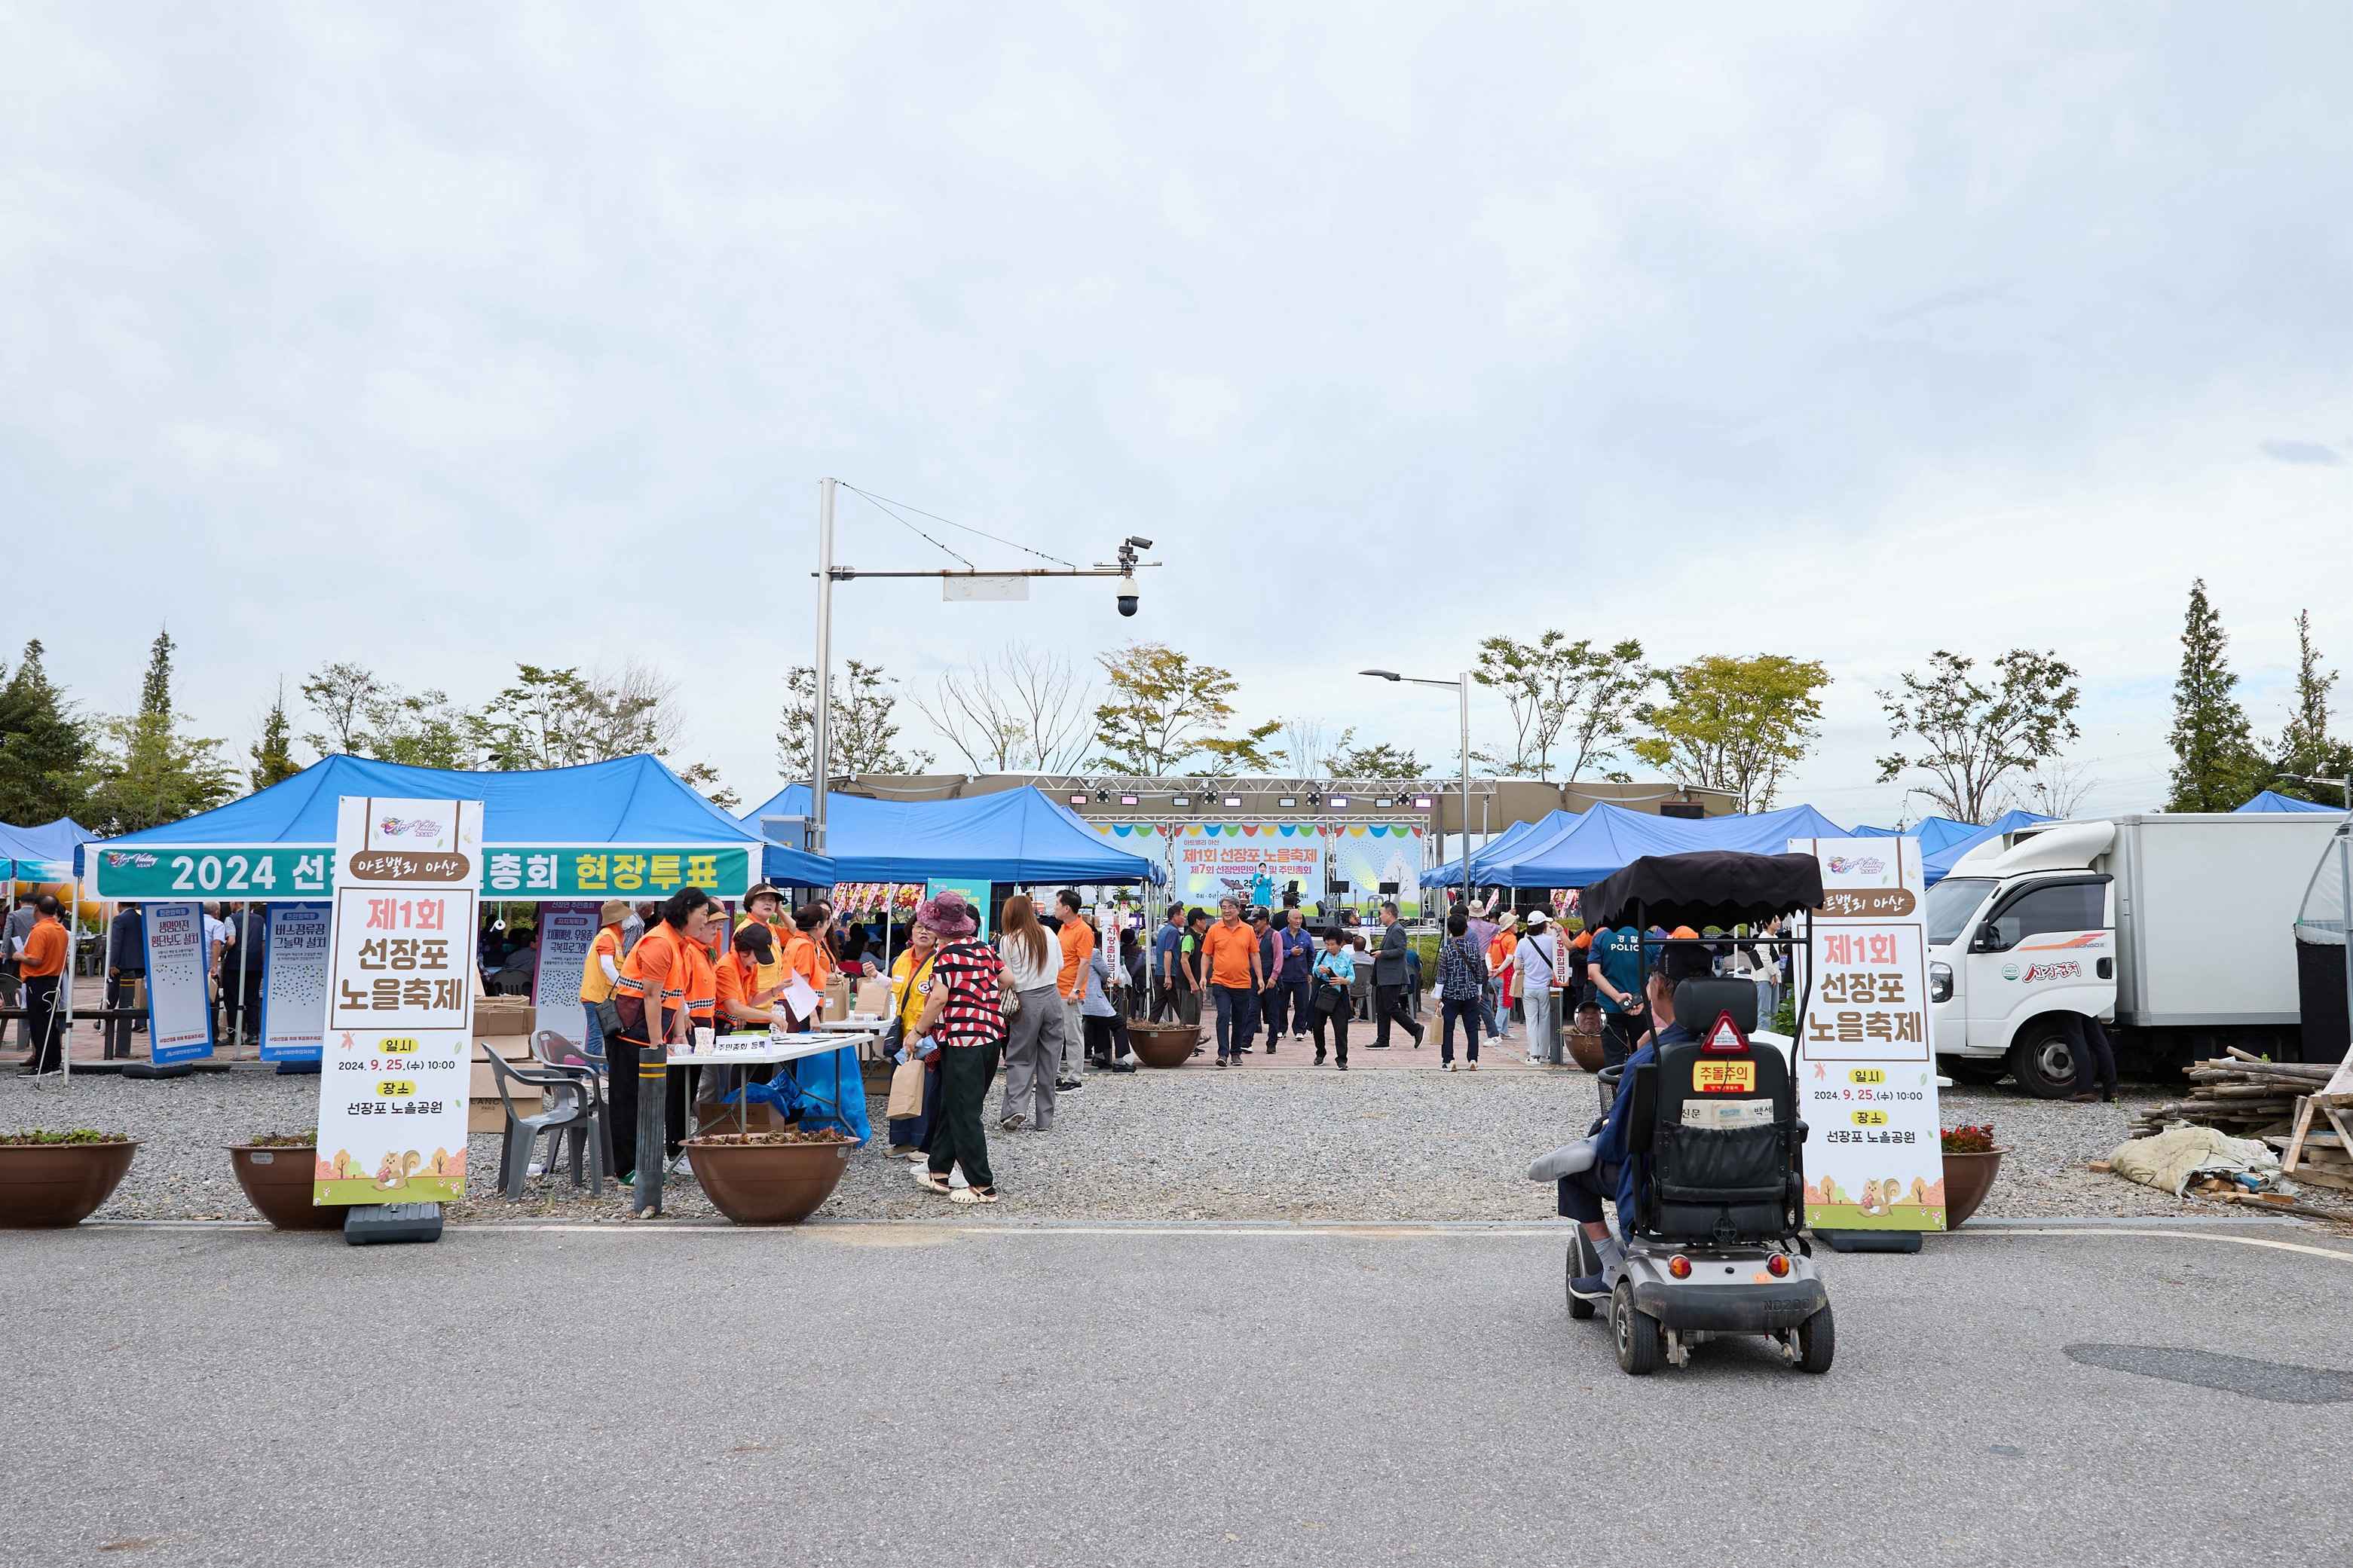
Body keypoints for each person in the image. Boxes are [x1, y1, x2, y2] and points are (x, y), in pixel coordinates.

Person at [1561, 944, 1714, 1301]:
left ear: (1659, 986)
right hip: (1747, 1181)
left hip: (1661, 1181)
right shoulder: (1755, 1053)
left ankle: (1610, 1269)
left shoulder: (1651, 1058)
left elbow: (1618, 1144)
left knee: (1571, 1173)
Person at [609, 886, 720, 1181]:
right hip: (633, 1033)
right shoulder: (660, 942)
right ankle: (627, 1168)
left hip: (654, 1031)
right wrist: (657, 1042)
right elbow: (651, 997)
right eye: (704, 914)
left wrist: (679, 1032)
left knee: (649, 1101)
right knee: (629, 1100)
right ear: (686, 910)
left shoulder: (680, 943)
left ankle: (645, 1164)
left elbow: (677, 992)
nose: (706, 922)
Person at [911, 891, 1005, 1206]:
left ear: (939, 927)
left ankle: (982, 1184)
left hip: (962, 1039)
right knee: (955, 1105)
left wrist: (917, 1031)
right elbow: (1009, 978)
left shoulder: (947, 956)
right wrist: (981, 995)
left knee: (964, 1112)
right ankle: (939, 1171)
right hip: (990, 1036)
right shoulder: (984, 949)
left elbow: (938, 999)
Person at [996, 893, 1067, 1132]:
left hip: (1026, 1001)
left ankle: (1016, 1108)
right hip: (1052, 997)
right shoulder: (1048, 933)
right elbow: (1060, 966)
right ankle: (1045, 1119)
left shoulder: (1008, 941)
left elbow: (1007, 977)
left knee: (1020, 1057)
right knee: (1050, 1059)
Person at [884, 918, 944, 1155]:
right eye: (919, 926)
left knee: (925, 1089)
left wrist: (921, 1030)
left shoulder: (939, 960)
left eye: (929, 927)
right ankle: (901, 1140)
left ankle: (923, 1143)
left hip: (927, 1034)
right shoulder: (900, 960)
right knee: (901, 1084)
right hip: (902, 1033)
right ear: (911, 931)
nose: (923, 931)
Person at [1199, 897, 1262, 1067]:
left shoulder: (1248, 930)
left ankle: (1236, 1052)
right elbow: (1206, 954)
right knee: (1223, 1015)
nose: (1226, 911)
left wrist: (1260, 977)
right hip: (1221, 981)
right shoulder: (1214, 930)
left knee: (1240, 1019)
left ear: (1238, 909)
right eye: (1223, 908)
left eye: (1230, 908)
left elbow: (1255, 955)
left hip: (1242, 983)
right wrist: (1203, 976)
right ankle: (1223, 1054)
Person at [14, 894, 69, 1074]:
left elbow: (35, 960)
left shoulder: (40, 931)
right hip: (54, 981)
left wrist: (19, 956)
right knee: (49, 1023)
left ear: (37, 908)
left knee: (39, 1025)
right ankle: (53, 1062)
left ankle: (44, 1064)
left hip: (38, 981)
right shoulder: (60, 929)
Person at [576, 898, 629, 1062]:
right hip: (598, 997)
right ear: (618, 920)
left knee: (606, 1035)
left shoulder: (609, 936)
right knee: (597, 1036)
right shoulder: (607, 937)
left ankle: (604, 1070)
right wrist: (624, 987)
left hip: (602, 996)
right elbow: (607, 966)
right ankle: (589, 1073)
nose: (627, 921)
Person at [1590, 923, 1649, 1069]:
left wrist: (1617, 997)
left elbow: (1593, 972)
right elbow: (1658, 976)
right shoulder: (1650, 939)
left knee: (1613, 1061)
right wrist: (1642, 998)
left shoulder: (1602, 937)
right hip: (1641, 1007)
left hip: (1609, 1005)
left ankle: (1615, 1091)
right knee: (1644, 1058)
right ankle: (1639, 1091)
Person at [1437, 909, 1489, 1070]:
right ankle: (1473, 1059)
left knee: (1448, 1027)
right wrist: (1479, 991)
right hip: (1470, 993)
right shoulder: (1474, 949)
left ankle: (1449, 1060)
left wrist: (1438, 996)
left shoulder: (1447, 950)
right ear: (1466, 929)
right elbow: (1479, 973)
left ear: (1450, 930)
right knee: (1472, 1028)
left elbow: (1442, 975)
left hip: (1451, 994)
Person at [1053, 889, 1094, 1091]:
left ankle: (1075, 1078)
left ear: (1067, 908)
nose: (1055, 908)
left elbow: (1085, 962)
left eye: (1057, 905)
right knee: (1056, 1035)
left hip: (1069, 991)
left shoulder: (1083, 930)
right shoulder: (1064, 928)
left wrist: (1076, 990)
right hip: (1058, 988)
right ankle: (1056, 1076)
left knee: (1073, 1035)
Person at [1370, 900, 1424, 1050]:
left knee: (1391, 1007)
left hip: (1392, 976)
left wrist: (1382, 953)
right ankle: (1382, 1039)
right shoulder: (1391, 929)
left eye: (1381, 914)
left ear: (1389, 914)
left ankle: (1415, 1028)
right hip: (1384, 976)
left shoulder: (1397, 929)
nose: (1380, 917)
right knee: (1382, 1008)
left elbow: (1401, 950)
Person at [1516, 911, 1560, 1066]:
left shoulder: (1522, 942)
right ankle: (1543, 1054)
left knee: (1531, 1021)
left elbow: (1517, 966)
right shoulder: (1550, 941)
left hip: (1528, 987)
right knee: (1545, 1019)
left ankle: (1533, 1055)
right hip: (1545, 987)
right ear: (1543, 925)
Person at [103, 902, 145, 1059]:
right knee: (140, 995)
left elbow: (116, 942)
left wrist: (112, 963)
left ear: (119, 905)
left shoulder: (119, 920)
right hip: (140, 963)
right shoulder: (141, 919)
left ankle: (106, 1018)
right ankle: (141, 1022)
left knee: (114, 993)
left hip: (123, 964)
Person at [1271, 906, 1316, 1045]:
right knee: (1281, 1005)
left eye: (1300, 918)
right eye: (1296, 918)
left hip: (1301, 976)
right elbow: (1276, 954)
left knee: (1302, 1005)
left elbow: (1311, 955)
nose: (1298, 921)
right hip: (1284, 976)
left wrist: (1309, 972)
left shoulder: (1306, 935)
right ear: (1288, 919)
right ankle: (1281, 1029)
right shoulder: (1280, 935)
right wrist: (1290, 952)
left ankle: (1299, 1030)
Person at [1309, 931, 1354, 1068]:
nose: (1330, 947)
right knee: (1317, 1026)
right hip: (1323, 995)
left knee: (1341, 1029)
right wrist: (1319, 970)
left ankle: (1342, 1058)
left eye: (1333, 944)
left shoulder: (1346, 958)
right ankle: (1320, 1053)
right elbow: (1314, 970)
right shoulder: (1321, 954)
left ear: (1340, 944)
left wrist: (1343, 980)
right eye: (1327, 944)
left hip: (1339, 996)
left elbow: (1352, 977)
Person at [2065, 1014, 2119, 1104]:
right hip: (2089, 1002)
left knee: (2075, 1036)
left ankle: (2085, 1090)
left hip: (2069, 1002)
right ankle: (2111, 1090)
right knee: (2098, 1038)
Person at [1150, 906, 1188, 1024]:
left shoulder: (1164, 930)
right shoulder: (1173, 932)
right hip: (1169, 974)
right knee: (1181, 1006)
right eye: (1183, 915)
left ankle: (1148, 1030)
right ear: (1175, 916)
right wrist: (1168, 976)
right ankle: (1193, 1033)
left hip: (1160, 973)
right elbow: (1168, 953)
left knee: (1159, 1005)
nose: (1184, 918)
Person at [1486, 916, 1519, 1042]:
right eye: (1515, 923)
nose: (1517, 926)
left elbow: (1487, 954)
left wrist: (1491, 969)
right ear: (1510, 926)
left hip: (1494, 977)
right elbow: (1510, 958)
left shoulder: (1497, 937)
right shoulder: (1511, 939)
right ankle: (1497, 1031)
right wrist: (1499, 970)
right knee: (1504, 1005)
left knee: (1504, 1003)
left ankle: (1504, 1031)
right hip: (1505, 976)